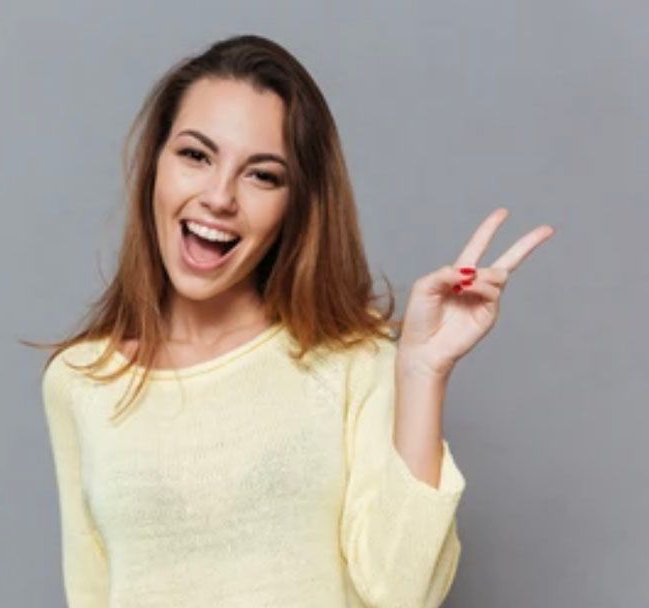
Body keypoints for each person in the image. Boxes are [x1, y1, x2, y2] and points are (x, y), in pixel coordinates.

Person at [29, 34, 554, 607]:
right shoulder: (82, 380)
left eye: (262, 175)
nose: (219, 197)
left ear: (295, 205)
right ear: (155, 165)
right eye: (196, 156)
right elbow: (90, 593)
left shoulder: (354, 361)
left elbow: (406, 595)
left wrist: (423, 374)